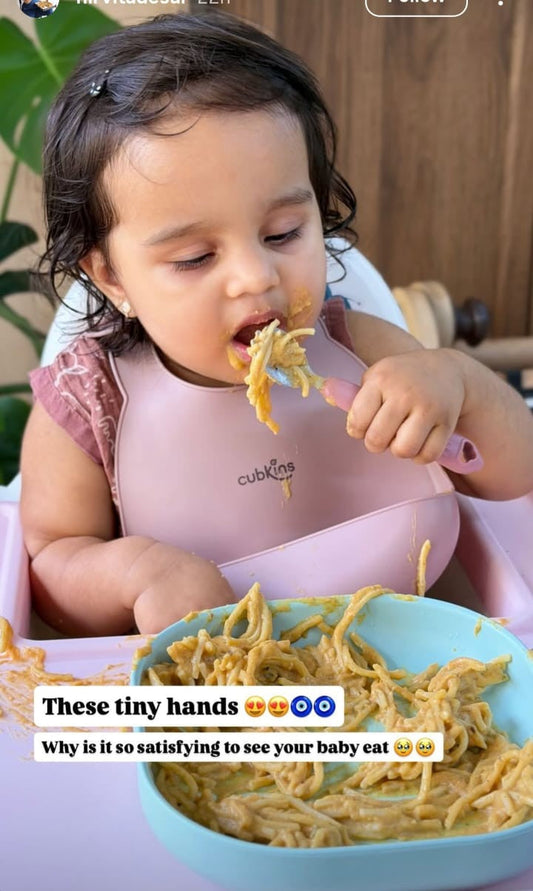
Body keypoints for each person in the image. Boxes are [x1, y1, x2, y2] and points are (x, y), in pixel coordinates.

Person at [20, 12, 533, 638]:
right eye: (195, 258)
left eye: (284, 233)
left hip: (415, 664)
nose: (255, 277)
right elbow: (47, 570)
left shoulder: (362, 348)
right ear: (112, 278)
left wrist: (460, 385)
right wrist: (139, 574)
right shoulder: (88, 404)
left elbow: (515, 481)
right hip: (217, 704)